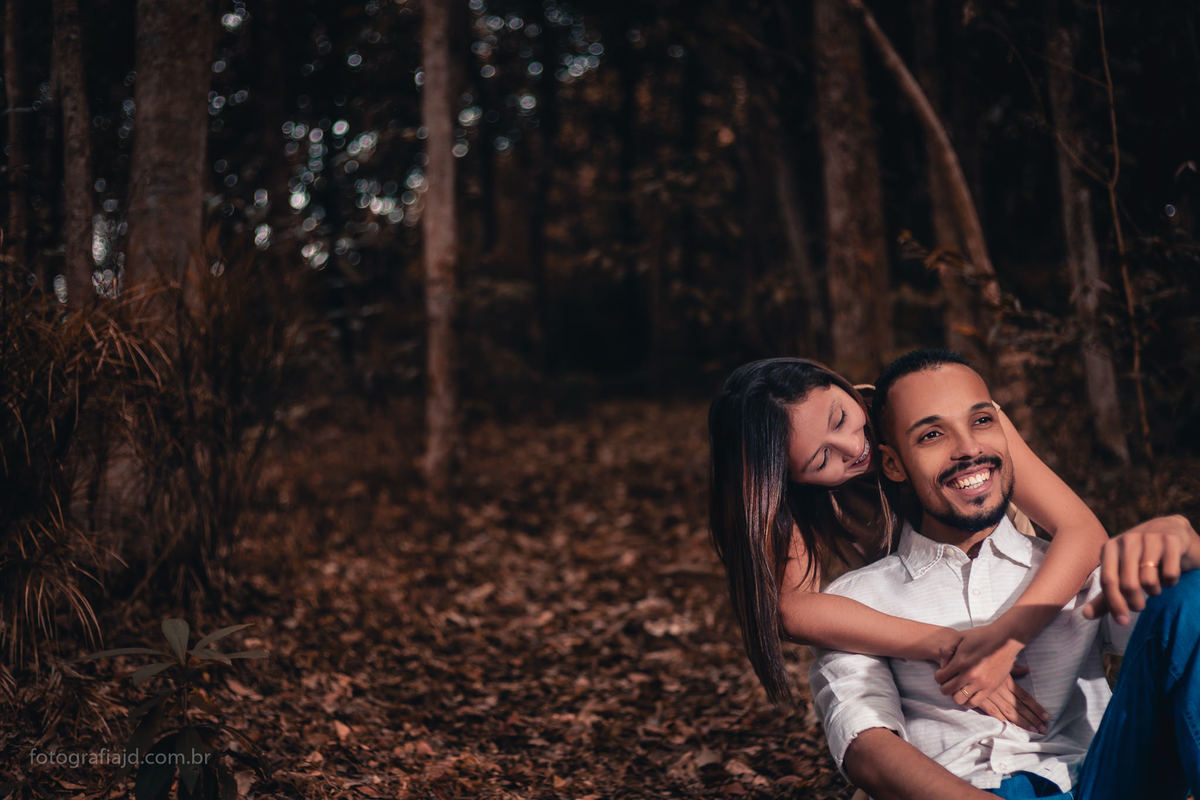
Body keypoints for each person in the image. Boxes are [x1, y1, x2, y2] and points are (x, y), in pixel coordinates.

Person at [810, 349, 1200, 799]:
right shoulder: (856, 601)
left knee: (1190, 594)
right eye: (932, 434)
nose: (969, 449)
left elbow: (1179, 635)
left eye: (980, 422)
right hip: (960, 790)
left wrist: (1187, 547)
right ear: (894, 464)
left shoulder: (1067, 567)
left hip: (1102, 782)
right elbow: (865, 743)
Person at [708, 357, 1108, 728]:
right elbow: (792, 609)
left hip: (1017, 597)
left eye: (841, 417)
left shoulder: (932, 409)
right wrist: (947, 645)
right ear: (791, 479)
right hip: (918, 623)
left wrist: (1005, 637)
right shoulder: (782, 495)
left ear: (835, 382)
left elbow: (1083, 532)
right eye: (821, 460)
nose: (853, 447)